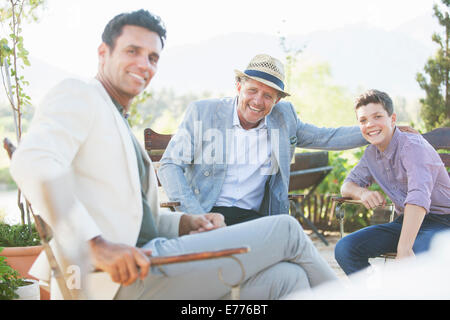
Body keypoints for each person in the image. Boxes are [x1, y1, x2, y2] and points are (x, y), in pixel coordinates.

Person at [10, 9, 339, 300]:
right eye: (132, 51)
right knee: (287, 230)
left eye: (152, 57)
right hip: (112, 279)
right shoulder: (79, 94)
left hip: (149, 262)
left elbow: (134, 222)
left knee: (288, 278)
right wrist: (95, 246)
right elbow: (31, 161)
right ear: (103, 53)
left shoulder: (118, 122)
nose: (144, 63)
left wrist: (185, 221)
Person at [158, 54, 415, 226]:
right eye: (252, 90)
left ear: (278, 100)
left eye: (268, 96)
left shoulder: (284, 118)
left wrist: (379, 129)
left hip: (257, 219)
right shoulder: (203, 112)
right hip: (208, 211)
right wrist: (196, 215)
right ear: (238, 86)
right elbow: (170, 165)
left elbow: (327, 137)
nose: (258, 101)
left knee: (293, 257)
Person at [334, 89, 450, 275]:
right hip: (404, 222)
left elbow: (418, 196)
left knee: (420, 254)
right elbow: (347, 185)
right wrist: (362, 193)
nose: (370, 124)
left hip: (443, 222)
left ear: (392, 119)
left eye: (377, 116)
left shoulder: (413, 146)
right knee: (345, 248)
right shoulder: (371, 154)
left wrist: (404, 249)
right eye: (363, 120)